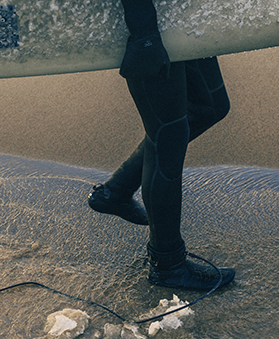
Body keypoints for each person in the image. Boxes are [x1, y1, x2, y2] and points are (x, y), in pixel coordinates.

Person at [87, 0, 235, 291]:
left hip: (180, 15)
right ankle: (168, 266)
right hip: (145, 22)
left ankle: (114, 193)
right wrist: (144, 34)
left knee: (210, 107)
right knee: (168, 136)